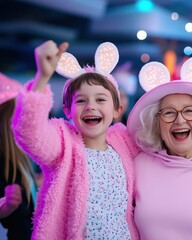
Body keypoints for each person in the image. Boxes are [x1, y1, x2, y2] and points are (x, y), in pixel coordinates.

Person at [11, 40, 140, 239]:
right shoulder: (64, 144)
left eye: (100, 99)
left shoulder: (124, 142)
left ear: (117, 110)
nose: (90, 106)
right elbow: (30, 133)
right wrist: (42, 78)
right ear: (66, 110)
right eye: (81, 100)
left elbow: (153, 141)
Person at [127, 57, 192, 239]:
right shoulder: (138, 164)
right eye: (169, 113)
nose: (180, 120)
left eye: (189, 111)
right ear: (157, 123)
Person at [0, 73, 39, 240]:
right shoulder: (2, 158)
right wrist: (7, 205)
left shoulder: (18, 153)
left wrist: (36, 182)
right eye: (20, 112)